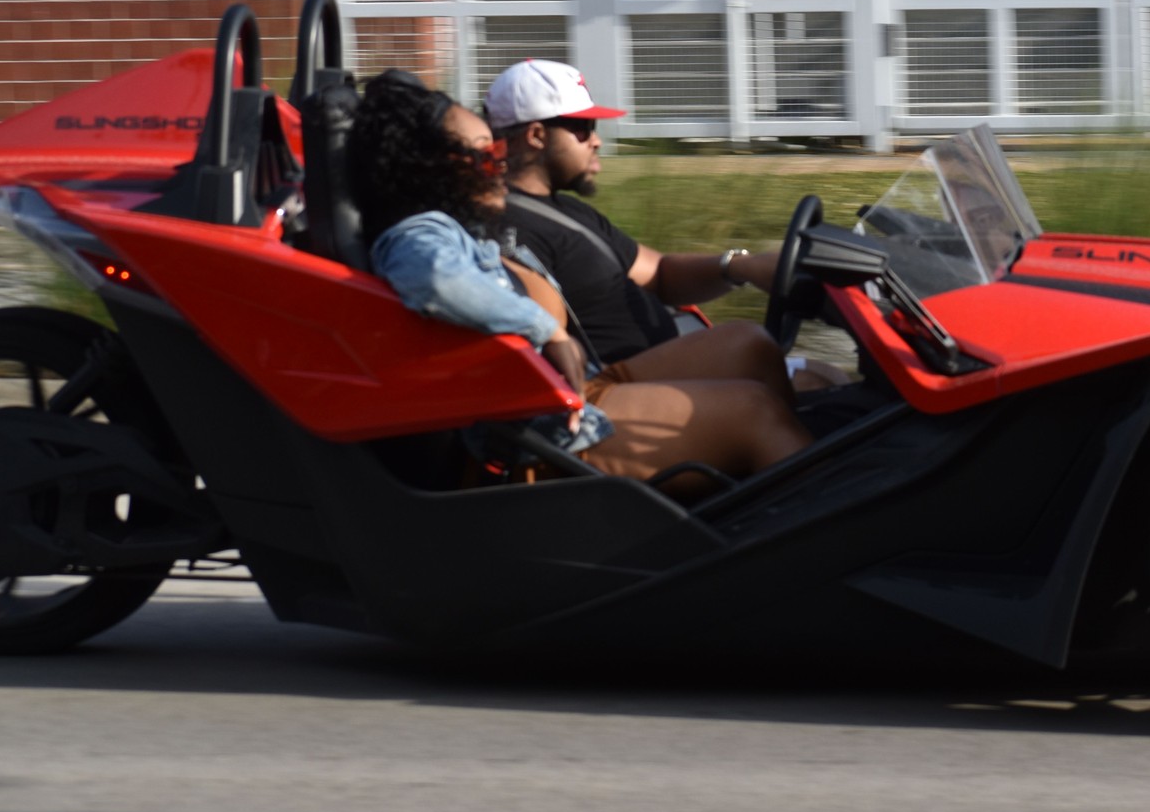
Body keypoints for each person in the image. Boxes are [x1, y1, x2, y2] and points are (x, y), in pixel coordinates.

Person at [348, 70, 811, 492]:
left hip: (573, 391)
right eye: (484, 154)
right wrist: (545, 328)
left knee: (750, 343)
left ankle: (780, 484)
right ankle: (819, 541)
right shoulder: (420, 236)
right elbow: (436, 279)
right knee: (754, 411)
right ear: (433, 168)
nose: (499, 164)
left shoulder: (466, 228)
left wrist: (742, 265)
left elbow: (659, 271)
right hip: (537, 431)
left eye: (497, 151)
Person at [482, 58, 848, 392]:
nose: (596, 140)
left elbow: (658, 273)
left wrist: (742, 266)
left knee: (835, 379)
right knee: (810, 381)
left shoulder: (567, 210)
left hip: (668, 364)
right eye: (583, 127)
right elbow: (546, 357)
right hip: (630, 394)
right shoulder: (505, 231)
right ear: (535, 136)